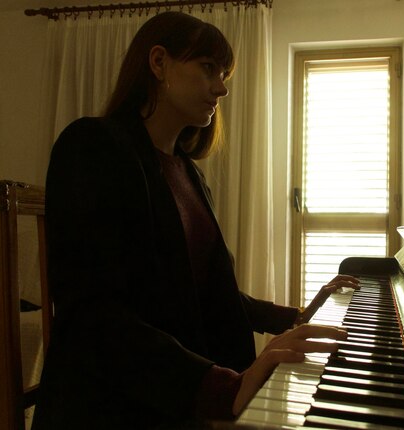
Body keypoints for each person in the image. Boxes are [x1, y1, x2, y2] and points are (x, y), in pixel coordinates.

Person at [32, 11, 358, 430]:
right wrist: (219, 388)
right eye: (208, 69)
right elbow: (93, 313)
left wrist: (294, 317)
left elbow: (200, 292)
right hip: (114, 405)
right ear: (158, 63)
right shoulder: (93, 145)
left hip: (175, 400)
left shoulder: (187, 173)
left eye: (223, 74)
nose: (221, 88)